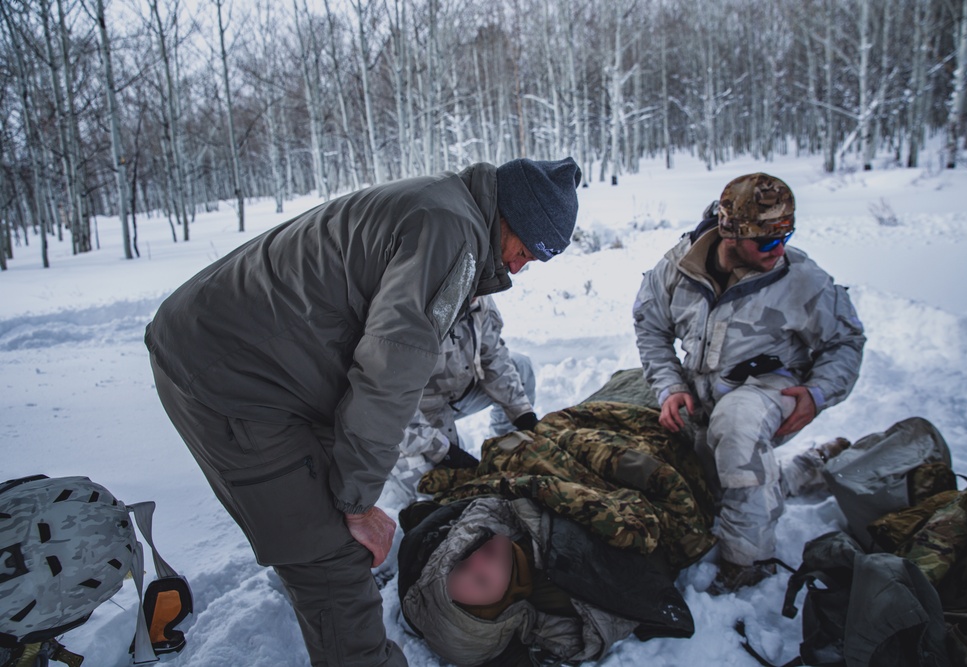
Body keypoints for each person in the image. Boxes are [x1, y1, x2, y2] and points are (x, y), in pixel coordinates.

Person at [144, 156, 582, 666]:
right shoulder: (451, 235)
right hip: (232, 376)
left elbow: (415, 359)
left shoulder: (447, 209)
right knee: (330, 562)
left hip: (258, 362)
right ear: (510, 217)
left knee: (334, 518)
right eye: (526, 251)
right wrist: (356, 502)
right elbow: (389, 374)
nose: (519, 267)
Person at [632, 172, 866, 592]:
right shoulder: (678, 268)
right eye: (766, 241)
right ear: (731, 233)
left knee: (737, 429)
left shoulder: (803, 281)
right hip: (700, 402)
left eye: (786, 236)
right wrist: (670, 387)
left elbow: (846, 340)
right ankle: (806, 470)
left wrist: (817, 393)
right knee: (709, 487)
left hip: (767, 393)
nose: (779, 250)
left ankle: (748, 563)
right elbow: (650, 326)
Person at [397, 394, 716, 667]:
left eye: (464, 564)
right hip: (654, 434)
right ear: (508, 605)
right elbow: (644, 522)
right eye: (481, 580)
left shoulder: (500, 527)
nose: (477, 559)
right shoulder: (580, 580)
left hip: (582, 422)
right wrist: (543, 489)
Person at [382, 294, 538, 507]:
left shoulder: (481, 296)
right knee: (439, 490)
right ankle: (392, 473)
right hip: (410, 413)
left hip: (457, 392)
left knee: (520, 365)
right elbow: (389, 401)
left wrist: (522, 413)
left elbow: (494, 357)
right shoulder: (412, 310)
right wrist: (444, 451)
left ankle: (506, 453)